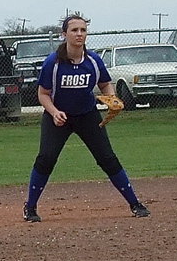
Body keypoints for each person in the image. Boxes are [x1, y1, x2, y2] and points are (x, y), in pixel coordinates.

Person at [22, 15, 149, 222]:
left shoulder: (93, 61)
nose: (79, 34)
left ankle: (135, 203)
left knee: (107, 158)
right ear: (64, 34)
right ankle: (31, 207)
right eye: (74, 30)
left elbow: (105, 84)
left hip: (87, 115)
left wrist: (112, 99)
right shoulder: (53, 63)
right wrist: (54, 112)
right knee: (46, 158)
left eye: (82, 30)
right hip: (58, 117)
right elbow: (43, 94)